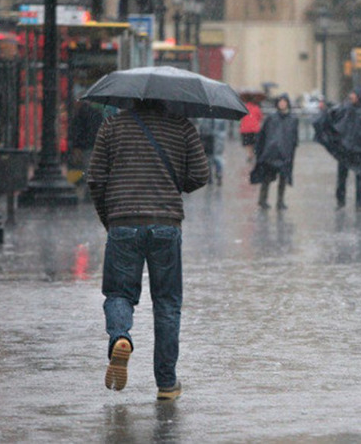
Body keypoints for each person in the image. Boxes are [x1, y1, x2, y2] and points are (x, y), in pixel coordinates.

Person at [87, 99, 210, 401]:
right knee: (167, 303)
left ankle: (120, 337)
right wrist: (170, 181)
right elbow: (200, 175)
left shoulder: (112, 126)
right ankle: (166, 384)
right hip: (166, 223)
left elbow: (95, 179)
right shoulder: (182, 126)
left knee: (118, 293)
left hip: (123, 221)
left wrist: (110, 218)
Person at [250, 94, 298, 210]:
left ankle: (280, 201)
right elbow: (263, 135)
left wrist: (291, 150)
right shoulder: (271, 118)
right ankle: (262, 200)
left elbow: (294, 137)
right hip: (271, 153)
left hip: (284, 153)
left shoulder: (293, 119)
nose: (282, 104)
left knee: (283, 178)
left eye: (284, 102)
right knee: (266, 178)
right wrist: (262, 150)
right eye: (280, 102)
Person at [198, 118, 227, 186]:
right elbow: (222, 131)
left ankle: (211, 176)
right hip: (216, 140)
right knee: (217, 158)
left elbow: (202, 129)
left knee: (209, 158)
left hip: (208, 139)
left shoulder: (203, 117)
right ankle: (217, 174)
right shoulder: (220, 118)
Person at [239, 96, 263, 163]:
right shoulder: (256, 108)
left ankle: (250, 154)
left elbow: (240, 117)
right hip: (254, 129)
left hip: (245, 128)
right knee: (254, 142)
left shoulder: (244, 107)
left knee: (247, 143)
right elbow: (260, 117)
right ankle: (253, 153)